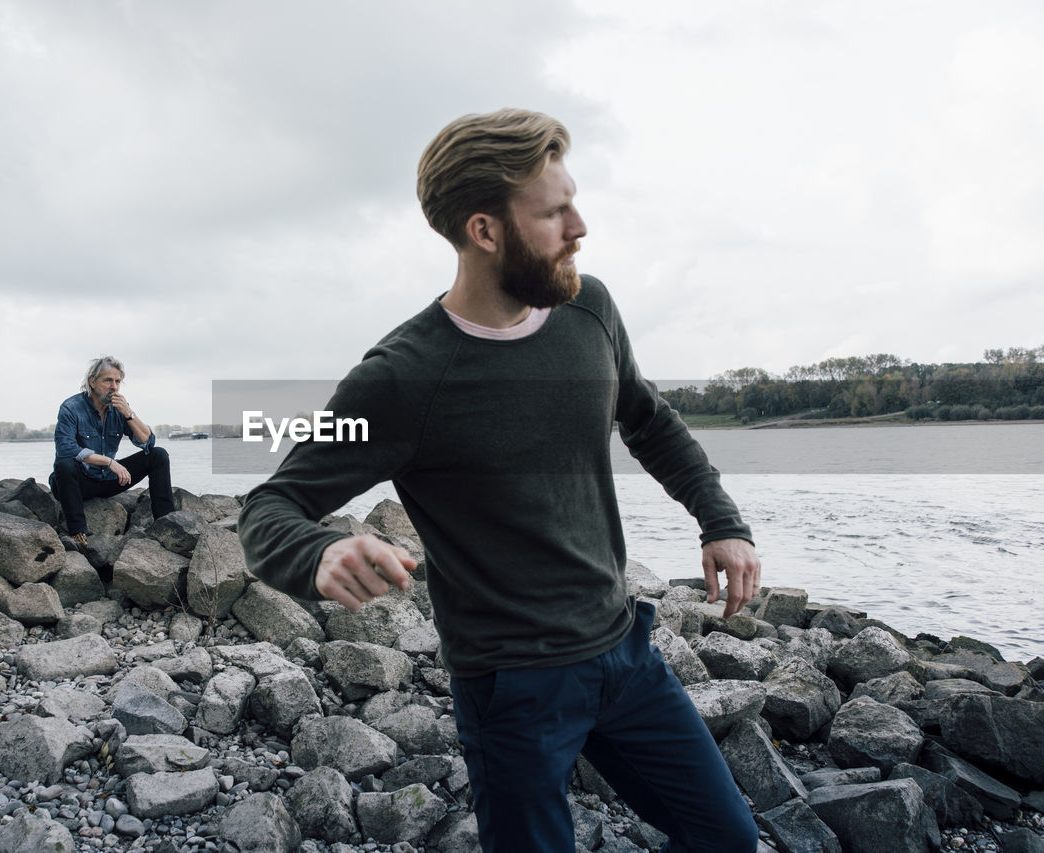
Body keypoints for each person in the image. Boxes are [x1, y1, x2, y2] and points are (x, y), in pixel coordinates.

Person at [237, 109, 762, 852]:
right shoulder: (402, 378)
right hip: (513, 691)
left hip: (626, 657)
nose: (580, 225)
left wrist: (722, 520)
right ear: (484, 231)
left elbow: (646, 416)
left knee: (731, 842)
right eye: (553, 213)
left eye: (573, 201)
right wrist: (318, 551)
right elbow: (272, 505)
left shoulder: (591, 308)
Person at [51, 355, 174, 545]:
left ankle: (166, 523)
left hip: (107, 481)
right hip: (76, 484)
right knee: (64, 464)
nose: (114, 386)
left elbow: (147, 443)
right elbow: (66, 449)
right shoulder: (71, 408)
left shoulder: (119, 408)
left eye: (117, 381)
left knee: (159, 455)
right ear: (92, 381)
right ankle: (78, 532)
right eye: (108, 380)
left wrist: (129, 413)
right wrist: (109, 462)